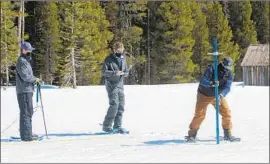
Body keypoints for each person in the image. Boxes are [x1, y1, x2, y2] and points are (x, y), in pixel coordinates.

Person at [186, 57, 239, 142]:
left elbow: (227, 87)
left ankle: (227, 134)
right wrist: (211, 83)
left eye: (229, 67)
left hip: (217, 96)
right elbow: (203, 81)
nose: (227, 68)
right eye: (226, 66)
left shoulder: (229, 74)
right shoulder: (212, 69)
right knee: (200, 115)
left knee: (226, 113)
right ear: (222, 63)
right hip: (204, 94)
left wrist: (221, 95)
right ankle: (191, 135)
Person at [101, 42, 130, 134]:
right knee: (114, 105)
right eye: (117, 50)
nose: (119, 51)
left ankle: (118, 126)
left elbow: (126, 72)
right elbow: (104, 72)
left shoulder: (123, 59)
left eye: (121, 50)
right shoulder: (108, 59)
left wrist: (124, 73)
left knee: (121, 106)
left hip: (120, 85)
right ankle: (107, 126)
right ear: (114, 50)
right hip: (111, 85)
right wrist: (114, 73)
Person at [16, 41, 41, 141]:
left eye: (30, 50)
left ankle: (28, 132)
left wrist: (36, 79)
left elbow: (29, 75)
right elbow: (25, 76)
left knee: (29, 111)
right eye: (28, 50)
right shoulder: (21, 61)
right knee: (26, 112)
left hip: (28, 89)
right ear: (23, 50)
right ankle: (26, 135)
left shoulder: (26, 61)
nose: (30, 51)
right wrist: (35, 80)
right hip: (24, 90)